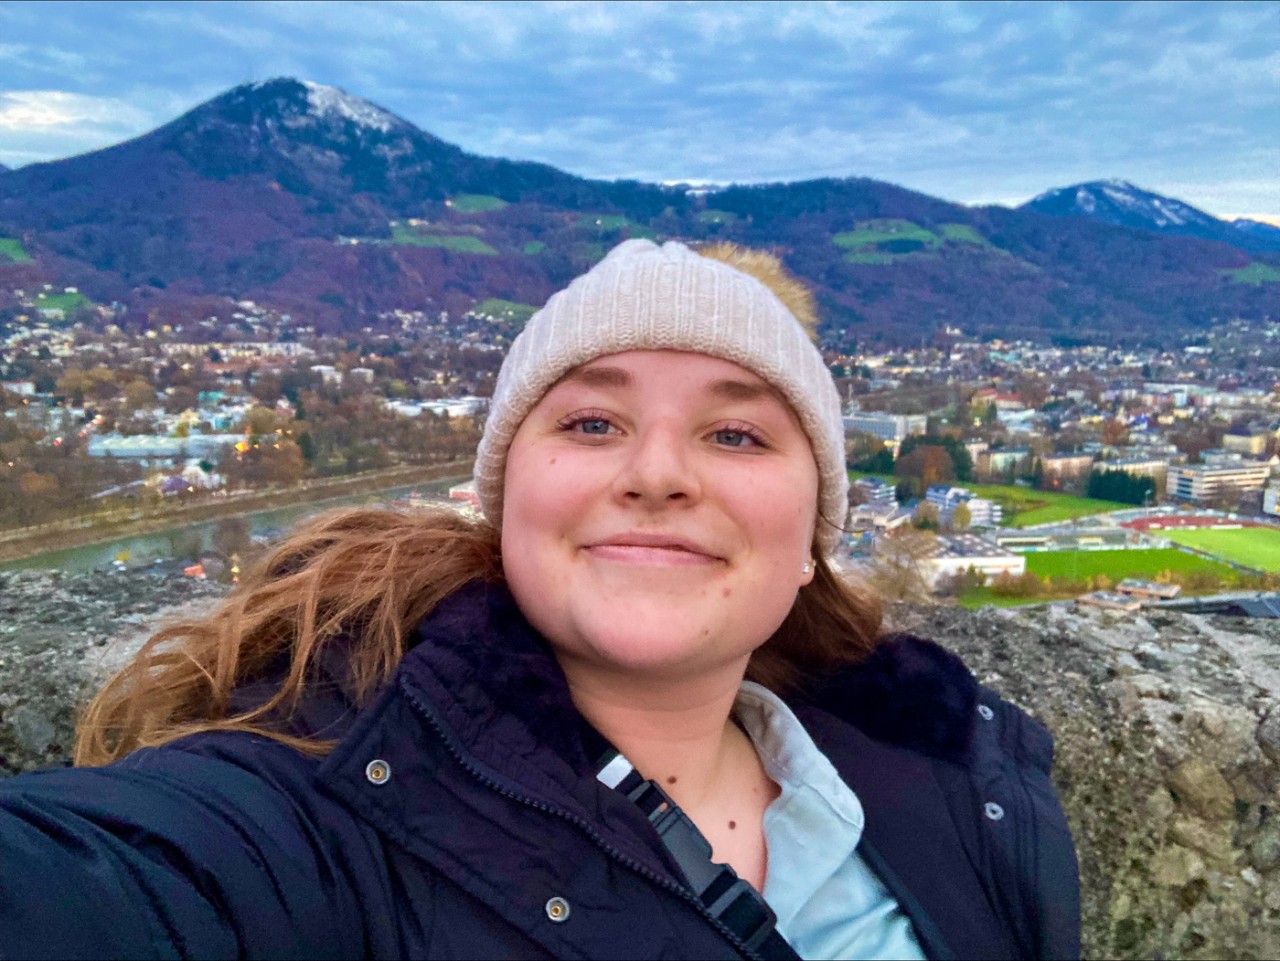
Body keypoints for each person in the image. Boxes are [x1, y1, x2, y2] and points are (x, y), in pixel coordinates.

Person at [0, 240, 1079, 960]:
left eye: (736, 432)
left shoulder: (955, 777)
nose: (657, 473)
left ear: (811, 538)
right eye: (592, 423)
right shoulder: (327, 800)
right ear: (502, 499)